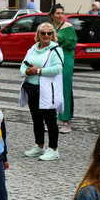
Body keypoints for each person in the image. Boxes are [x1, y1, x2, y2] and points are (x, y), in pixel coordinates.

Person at [19, 22, 64, 161]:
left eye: (49, 33)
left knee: (50, 120)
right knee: (36, 119)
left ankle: (53, 148)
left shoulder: (56, 49)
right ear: (37, 34)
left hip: (46, 90)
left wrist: (38, 71)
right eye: (43, 33)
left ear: (53, 35)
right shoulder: (33, 48)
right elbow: (23, 64)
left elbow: (58, 68)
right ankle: (39, 145)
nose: (46, 35)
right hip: (31, 88)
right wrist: (26, 70)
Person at [50, 4, 77, 134]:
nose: (60, 15)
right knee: (52, 89)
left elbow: (71, 44)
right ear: (52, 15)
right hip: (52, 59)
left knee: (64, 88)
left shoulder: (68, 27)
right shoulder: (50, 27)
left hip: (66, 60)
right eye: (57, 13)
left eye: (62, 13)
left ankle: (66, 121)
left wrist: (56, 39)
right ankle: (52, 119)